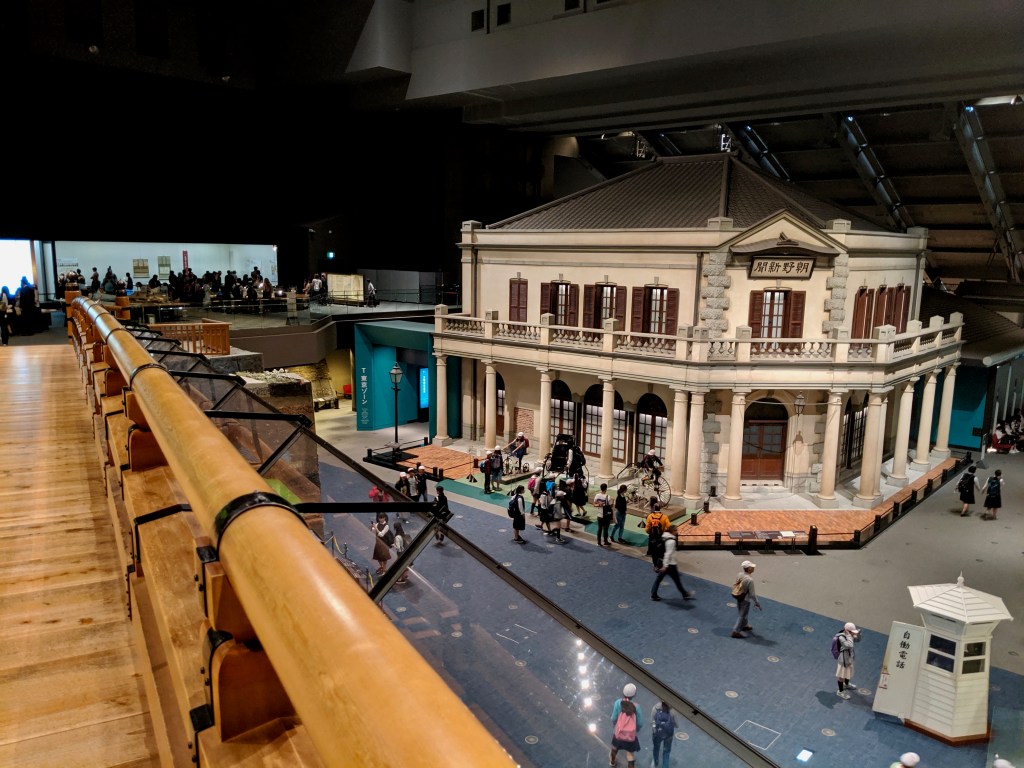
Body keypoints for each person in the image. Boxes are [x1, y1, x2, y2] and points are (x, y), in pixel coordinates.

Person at [651, 524, 694, 601]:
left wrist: (657, 565)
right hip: (670, 564)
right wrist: (665, 566)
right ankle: (685, 594)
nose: (677, 532)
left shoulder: (663, 537)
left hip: (662, 562)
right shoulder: (671, 541)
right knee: (677, 580)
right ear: (672, 531)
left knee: (658, 579)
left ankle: (653, 595)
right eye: (676, 530)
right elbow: (668, 554)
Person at [609, 683, 644, 768]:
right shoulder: (637, 707)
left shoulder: (618, 703)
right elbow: (640, 723)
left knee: (614, 748)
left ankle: (613, 762)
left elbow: (613, 718)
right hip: (630, 736)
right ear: (634, 695)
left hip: (618, 733)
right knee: (630, 754)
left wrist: (615, 725)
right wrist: (636, 729)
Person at [731, 560, 761, 638]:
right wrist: (757, 602)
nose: (753, 568)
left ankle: (744, 625)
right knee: (742, 615)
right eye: (752, 567)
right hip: (745, 600)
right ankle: (735, 631)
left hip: (739, 596)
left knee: (743, 613)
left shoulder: (739, 574)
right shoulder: (750, 580)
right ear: (749, 569)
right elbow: (752, 594)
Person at [834, 621, 862, 698]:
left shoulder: (849, 635)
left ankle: (846, 685)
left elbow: (857, 640)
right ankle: (840, 691)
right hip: (843, 661)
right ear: (847, 631)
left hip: (849, 659)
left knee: (848, 673)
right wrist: (850, 636)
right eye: (852, 632)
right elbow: (849, 645)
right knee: (841, 676)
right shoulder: (841, 637)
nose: (853, 634)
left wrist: (858, 635)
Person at [650, 701, 677, 768]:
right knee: (666, 751)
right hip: (668, 735)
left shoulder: (655, 708)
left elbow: (652, 721)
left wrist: (654, 730)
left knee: (656, 748)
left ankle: (655, 762)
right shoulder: (672, 711)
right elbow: (677, 725)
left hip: (657, 734)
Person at [643, 500, 669, 569]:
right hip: (661, 536)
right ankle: (661, 564)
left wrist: (650, 532)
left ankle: (655, 565)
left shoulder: (650, 516)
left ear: (654, 508)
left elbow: (647, 529)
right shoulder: (664, 517)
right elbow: (668, 527)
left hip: (652, 536)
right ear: (660, 508)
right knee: (661, 550)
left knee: (654, 551)